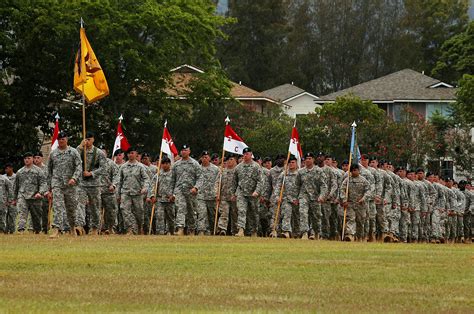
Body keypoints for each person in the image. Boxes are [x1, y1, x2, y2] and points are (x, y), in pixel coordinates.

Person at [46, 131, 82, 238]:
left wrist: (74, 178)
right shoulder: (53, 154)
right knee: (57, 207)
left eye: (63, 139)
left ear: (67, 140)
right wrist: (49, 188)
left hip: (70, 185)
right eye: (59, 139)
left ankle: (72, 228)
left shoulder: (73, 152)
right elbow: (49, 171)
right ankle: (56, 229)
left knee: (71, 208)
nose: (61, 141)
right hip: (57, 184)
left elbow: (79, 166)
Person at [76, 131, 106, 235]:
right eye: (85, 139)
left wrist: (92, 173)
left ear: (93, 139)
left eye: (89, 139)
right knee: (80, 204)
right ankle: (79, 225)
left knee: (95, 207)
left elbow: (103, 168)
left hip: (94, 184)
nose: (87, 141)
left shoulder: (99, 153)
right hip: (81, 184)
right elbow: (73, 158)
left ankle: (94, 228)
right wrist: (80, 147)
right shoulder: (79, 150)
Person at [231, 147, 263, 237]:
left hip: (253, 194)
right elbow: (234, 182)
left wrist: (257, 191)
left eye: (247, 154)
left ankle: (254, 231)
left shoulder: (256, 166)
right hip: (241, 192)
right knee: (241, 210)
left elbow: (260, 181)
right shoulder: (238, 167)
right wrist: (233, 194)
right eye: (244, 154)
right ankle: (241, 230)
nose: (245, 155)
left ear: (251, 154)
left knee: (254, 213)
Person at [117, 147, 149, 235]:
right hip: (125, 193)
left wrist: (144, 188)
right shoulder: (123, 167)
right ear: (127, 155)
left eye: (133, 153)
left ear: (136, 154)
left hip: (137, 193)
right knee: (125, 210)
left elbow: (146, 179)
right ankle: (129, 229)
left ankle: (140, 227)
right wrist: (118, 194)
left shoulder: (140, 167)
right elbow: (119, 181)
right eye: (129, 153)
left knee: (139, 212)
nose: (131, 155)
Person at [12, 152, 47, 234]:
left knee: (36, 217)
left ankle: (37, 231)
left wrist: (40, 192)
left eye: (29, 158)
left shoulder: (38, 171)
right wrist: (14, 199)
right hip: (22, 196)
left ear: (32, 159)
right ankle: (21, 230)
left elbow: (43, 183)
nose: (27, 160)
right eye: (25, 159)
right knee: (22, 214)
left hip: (35, 197)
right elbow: (16, 187)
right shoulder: (20, 172)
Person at [171, 144, 201, 236]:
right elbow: (172, 180)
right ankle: (180, 228)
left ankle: (191, 229)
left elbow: (200, 178)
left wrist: (196, 187)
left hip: (191, 191)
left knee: (191, 210)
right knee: (180, 208)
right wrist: (171, 193)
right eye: (182, 150)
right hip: (179, 190)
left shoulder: (195, 164)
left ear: (189, 151)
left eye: (186, 150)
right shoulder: (176, 165)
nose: (184, 152)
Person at [297, 152, 327, 240]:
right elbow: (297, 185)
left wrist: (322, 196)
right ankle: (304, 233)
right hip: (304, 196)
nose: (308, 160)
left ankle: (316, 232)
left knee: (316, 217)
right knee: (303, 213)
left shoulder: (319, 171)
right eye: (306, 159)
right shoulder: (301, 172)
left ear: (313, 160)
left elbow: (323, 185)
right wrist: (296, 197)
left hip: (315, 197)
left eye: (310, 158)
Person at [271, 155, 300, 238]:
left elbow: (303, 187)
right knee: (286, 214)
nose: (291, 164)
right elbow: (278, 187)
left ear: (296, 163)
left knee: (297, 218)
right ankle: (286, 231)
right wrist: (277, 197)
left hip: (297, 200)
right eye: (289, 163)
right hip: (286, 199)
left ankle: (297, 233)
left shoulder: (299, 174)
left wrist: (299, 198)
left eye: (293, 162)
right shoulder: (283, 174)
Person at [340, 164, 369, 242]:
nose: (354, 172)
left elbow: (368, 191)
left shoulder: (364, 180)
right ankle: (350, 235)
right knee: (351, 219)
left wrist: (363, 198)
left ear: (359, 171)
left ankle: (359, 237)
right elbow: (342, 190)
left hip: (360, 205)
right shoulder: (347, 180)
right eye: (352, 170)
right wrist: (344, 200)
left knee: (360, 221)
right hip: (350, 204)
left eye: (355, 170)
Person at [147, 156, 175, 235]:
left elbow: (177, 186)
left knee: (171, 218)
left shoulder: (173, 175)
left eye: (167, 163)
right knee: (159, 217)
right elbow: (152, 186)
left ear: (170, 164)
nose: (165, 165)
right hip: (159, 200)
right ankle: (160, 233)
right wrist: (152, 196)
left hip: (170, 200)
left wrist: (174, 195)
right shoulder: (158, 175)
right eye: (163, 163)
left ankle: (171, 232)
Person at [195, 151, 219, 235]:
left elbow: (218, 182)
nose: (204, 159)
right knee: (202, 214)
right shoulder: (197, 168)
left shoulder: (216, 169)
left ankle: (212, 231)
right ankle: (201, 231)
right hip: (200, 196)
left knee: (212, 216)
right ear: (201, 158)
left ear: (209, 158)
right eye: (203, 157)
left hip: (212, 196)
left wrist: (217, 193)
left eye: (206, 157)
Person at [216, 154, 238, 235]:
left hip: (234, 197)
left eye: (231, 159)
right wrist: (217, 193)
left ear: (235, 160)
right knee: (223, 213)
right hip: (224, 196)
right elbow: (217, 183)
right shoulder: (222, 172)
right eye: (228, 160)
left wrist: (236, 195)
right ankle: (222, 229)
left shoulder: (237, 171)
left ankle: (235, 230)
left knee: (235, 215)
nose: (229, 161)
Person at [100, 148, 119, 235]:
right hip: (96, 192)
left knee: (111, 212)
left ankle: (110, 228)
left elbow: (116, 176)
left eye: (103, 153)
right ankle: (96, 229)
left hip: (108, 192)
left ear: (106, 154)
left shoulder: (111, 164)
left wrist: (113, 185)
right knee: (95, 212)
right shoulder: (94, 164)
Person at [33, 151, 50, 234]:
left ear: (42, 158)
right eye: (35, 158)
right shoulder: (31, 169)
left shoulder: (46, 169)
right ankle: (36, 229)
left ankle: (45, 229)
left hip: (44, 193)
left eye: (38, 158)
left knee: (44, 212)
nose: (36, 160)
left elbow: (48, 181)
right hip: (33, 193)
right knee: (35, 212)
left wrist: (48, 191)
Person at [4, 163, 17, 234]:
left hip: (13, 200)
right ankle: (4, 231)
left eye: (7, 168)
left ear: (11, 168)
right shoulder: (3, 178)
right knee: (4, 217)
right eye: (5, 168)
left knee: (12, 216)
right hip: (4, 200)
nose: (6, 170)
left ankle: (12, 231)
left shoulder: (16, 177)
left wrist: (16, 199)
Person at [0, 167, 13, 234]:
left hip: (2, 201)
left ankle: (2, 230)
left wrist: (10, 200)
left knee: (2, 216)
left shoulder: (4, 179)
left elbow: (10, 190)